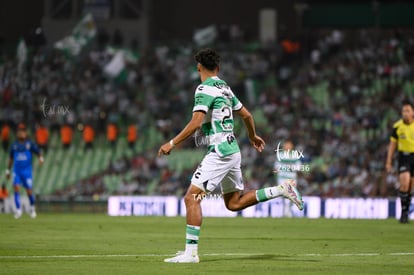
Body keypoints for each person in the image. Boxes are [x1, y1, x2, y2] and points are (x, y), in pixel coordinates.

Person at [158, 48, 304, 263]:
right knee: (233, 203)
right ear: (218, 68)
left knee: (192, 198)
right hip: (232, 151)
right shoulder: (224, 87)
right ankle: (281, 189)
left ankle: (191, 253)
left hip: (219, 152)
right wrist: (253, 136)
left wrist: (172, 143)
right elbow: (246, 114)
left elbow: (196, 122)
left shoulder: (204, 88)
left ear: (199, 67)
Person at [6, 123, 44, 219]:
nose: (21, 133)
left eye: (23, 131)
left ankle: (32, 208)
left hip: (27, 172)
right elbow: (11, 159)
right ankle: (18, 210)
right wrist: (8, 170)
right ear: (17, 133)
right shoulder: (14, 145)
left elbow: (38, 151)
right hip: (17, 171)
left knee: (29, 191)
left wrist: (41, 158)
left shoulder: (29, 144)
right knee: (16, 189)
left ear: (25, 133)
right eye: (19, 131)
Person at [386, 100, 414, 223]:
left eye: (408, 111)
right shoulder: (397, 126)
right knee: (405, 182)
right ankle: (403, 213)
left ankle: (406, 211)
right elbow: (392, 145)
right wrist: (388, 161)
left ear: (413, 112)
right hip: (404, 157)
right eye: (403, 111)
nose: (405, 113)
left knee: (411, 187)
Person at [274, 139, 302, 217]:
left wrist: (291, 167)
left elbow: (299, 167)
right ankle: (287, 214)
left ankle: (287, 213)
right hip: (282, 178)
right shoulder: (280, 155)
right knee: (285, 196)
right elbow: (277, 167)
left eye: (288, 144)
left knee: (292, 197)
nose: (287, 146)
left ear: (292, 146)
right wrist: (287, 167)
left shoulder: (295, 155)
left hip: (292, 179)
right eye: (286, 144)